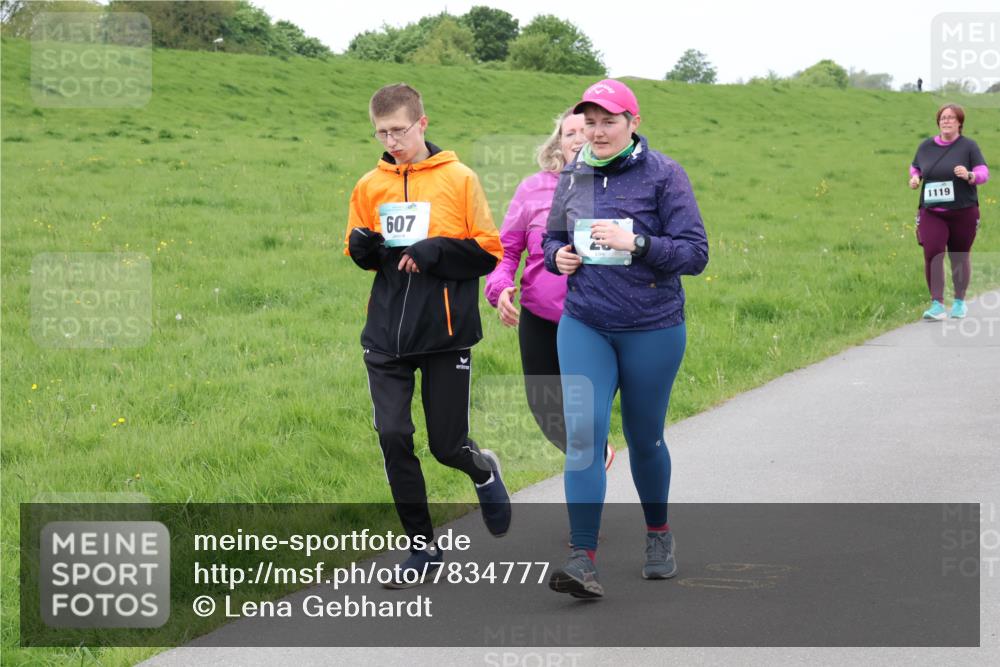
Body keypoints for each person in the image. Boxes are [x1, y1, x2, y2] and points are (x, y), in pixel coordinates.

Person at [542, 79, 708, 599]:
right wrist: (557, 257)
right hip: (586, 321)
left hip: (652, 326)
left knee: (644, 437)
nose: (597, 131)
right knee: (585, 435)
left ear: (633, 123)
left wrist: (638, 242)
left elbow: (695, 254)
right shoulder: (574, 174)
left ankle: (658, 534)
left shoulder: (665, 174)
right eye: (589, 123)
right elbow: (551, 236)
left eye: (608, 121)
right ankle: (582, 559)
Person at [344, 83, 511, 588]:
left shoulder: (459, 179)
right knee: (394, 438)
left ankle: (483, 471)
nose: (392, 140)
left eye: (400, 129)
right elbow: (361, 251)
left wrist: (438, 248)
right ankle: (422, 547)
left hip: (445, 333)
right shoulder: (369, 184)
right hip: (385, 337)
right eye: (382, 132)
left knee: (446, 446)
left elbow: (488, 251)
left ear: (422, 123)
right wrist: (363, 248)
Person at [483, 109, 615, 470]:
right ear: (558, 142)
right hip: (542, 316)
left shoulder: (618, 187)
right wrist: (500, 288)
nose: (579, 138)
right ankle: (593, 455)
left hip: (596, 318)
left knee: (586, 413)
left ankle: (588, 482)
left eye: (586, 130)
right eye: (569, 133)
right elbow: (507, 250)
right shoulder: (533, 188)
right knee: (545, 406)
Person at [909, 103, 989, 320]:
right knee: (932, 252)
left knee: (959, 256)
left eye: (952, 117)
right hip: (932, 211)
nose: (946, 121)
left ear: (959, 123)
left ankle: (960, 302)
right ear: (938, 121)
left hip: (964, 211)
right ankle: (937, 304)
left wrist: (970, 175)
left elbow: (984, 172)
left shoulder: (969, 146)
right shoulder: (926, 146)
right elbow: (916, 167)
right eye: (943, 117)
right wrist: (915, 178)